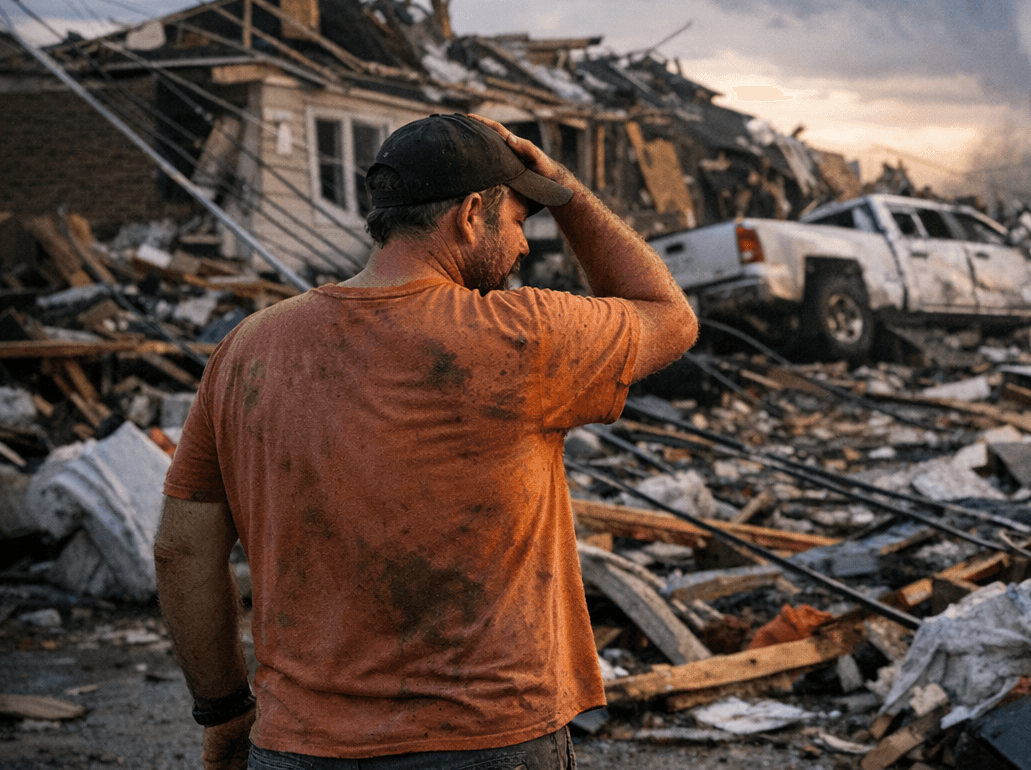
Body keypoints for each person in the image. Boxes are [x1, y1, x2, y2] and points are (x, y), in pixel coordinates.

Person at [153, 112, 698, 770]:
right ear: (471, 215)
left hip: (297, 746)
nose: (525, 247)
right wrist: (570, 191)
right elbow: (668, 313)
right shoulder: (525, 337)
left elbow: (182, 551)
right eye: (521, 221)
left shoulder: (248, 349)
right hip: (488, 740)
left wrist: (223, 713)